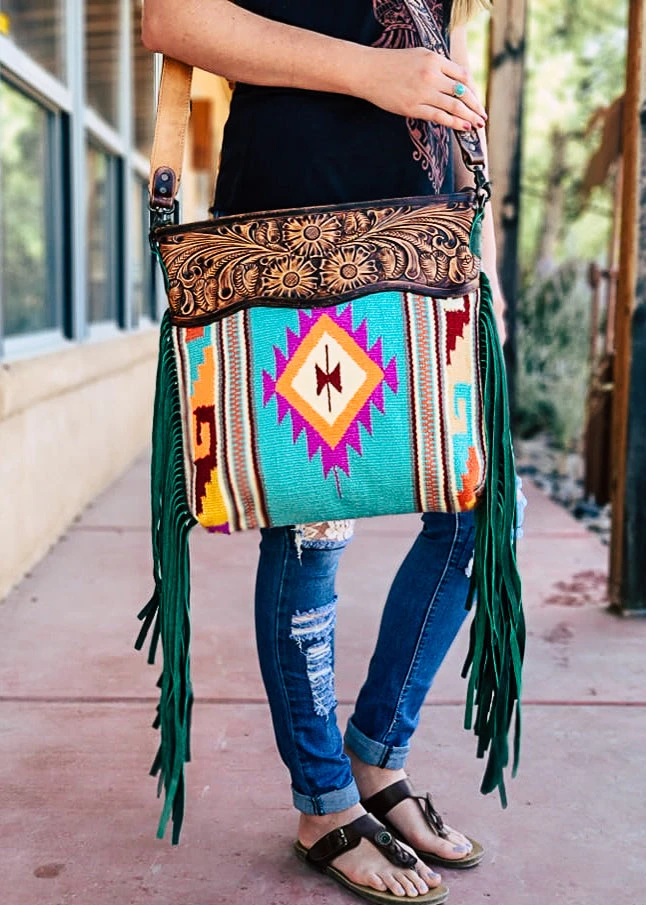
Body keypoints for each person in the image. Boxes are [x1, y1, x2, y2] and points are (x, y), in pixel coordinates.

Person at [143, 1, 508, 901]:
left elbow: (446, 64)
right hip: (294, 236)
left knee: (485, 509)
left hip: (431, 242)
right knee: (315, 521)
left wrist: (487, 264)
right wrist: (372, 73)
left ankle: (377, 755)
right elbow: (172, 17)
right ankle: (324, 802)